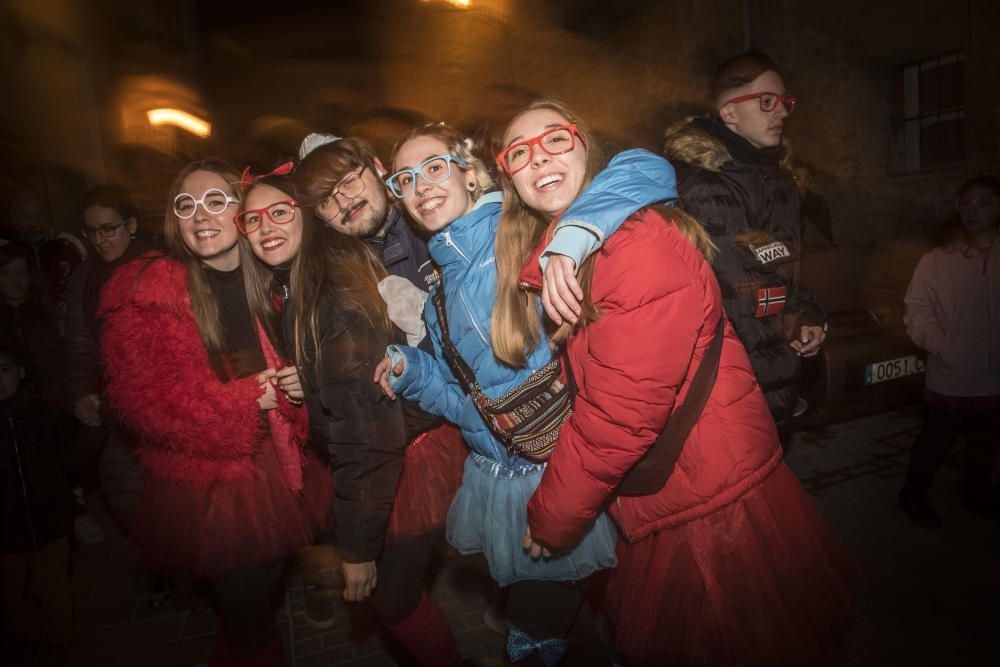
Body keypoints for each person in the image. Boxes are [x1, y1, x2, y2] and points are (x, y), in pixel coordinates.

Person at [499, 99, 855, 667]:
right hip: (683, 485)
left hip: (710, 509)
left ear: (588, 148)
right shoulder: (571, 250)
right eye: (519, 151)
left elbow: (619, 415)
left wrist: (554, 516)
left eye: (555, 139)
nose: (538, 156)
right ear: (511, 180)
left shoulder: (634, 246)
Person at [376, 121, 675, 665]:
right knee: (574, 629)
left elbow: (647, 169)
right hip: (501, 483)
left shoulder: (522, 235)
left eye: (435, 168)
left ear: (471, 176)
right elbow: (468, 407)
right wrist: (414, 372)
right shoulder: (438, 293)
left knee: (533, 636)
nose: (421, 187)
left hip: (566, 475)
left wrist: (576, 234)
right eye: (405, 180)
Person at [98, 160, 330, 665]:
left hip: (279, 462)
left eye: (216, 201)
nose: (200, 215)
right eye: (187, 205)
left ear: (242, 215)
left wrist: (297, 384)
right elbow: (142, 404)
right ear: (174, 219)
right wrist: (244, 400)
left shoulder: (270, 278)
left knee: (257, 602)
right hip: (212, 483)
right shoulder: (146, 292)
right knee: (250, 618)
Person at [237, 171, 464, 666]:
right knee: (395, 600)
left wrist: (357, 548)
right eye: (251, 219)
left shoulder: (330, 289)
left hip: (405, 462)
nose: (265, 226)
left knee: (394, 602)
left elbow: (365, 427)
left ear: (308, 217)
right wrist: (313, 376)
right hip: (390, 453)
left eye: (279, 212)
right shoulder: (307, 277)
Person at [293, 135, 467, 632]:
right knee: (396, 601)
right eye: (327, 199)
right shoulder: (340, 271)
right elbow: (361, 405)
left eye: (350, 182)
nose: (345, 201)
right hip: (416, 443)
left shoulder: (434, 215)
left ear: (376, 167)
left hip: (503, 433)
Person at [662, 52, 827, 436]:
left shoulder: (785, 187)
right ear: (729, 113)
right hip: (718, 387)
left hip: (782, 377)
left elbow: (786, 274)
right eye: (767, 101)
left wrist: (809, 316)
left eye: (785, 102)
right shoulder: (689, 184)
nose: (782, 112)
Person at [898, 174, 1000, 528]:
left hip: (995, 374)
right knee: (935, 441)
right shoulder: (940, 257)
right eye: (967, 203)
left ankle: (976, 493)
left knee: (985, 441)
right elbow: (917, 307)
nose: (974, 210)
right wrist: (943, 347)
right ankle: (913, 494)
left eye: (984, 202)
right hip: (953, 372)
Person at [0, 341, 75, 664]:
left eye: (3, 370)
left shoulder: (44, 414)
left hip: (50, 521)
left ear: (19, 371)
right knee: (10, 593)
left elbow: (72, 453)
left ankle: (62, 642)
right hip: (6, 530)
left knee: (53, 587)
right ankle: (26, 637)